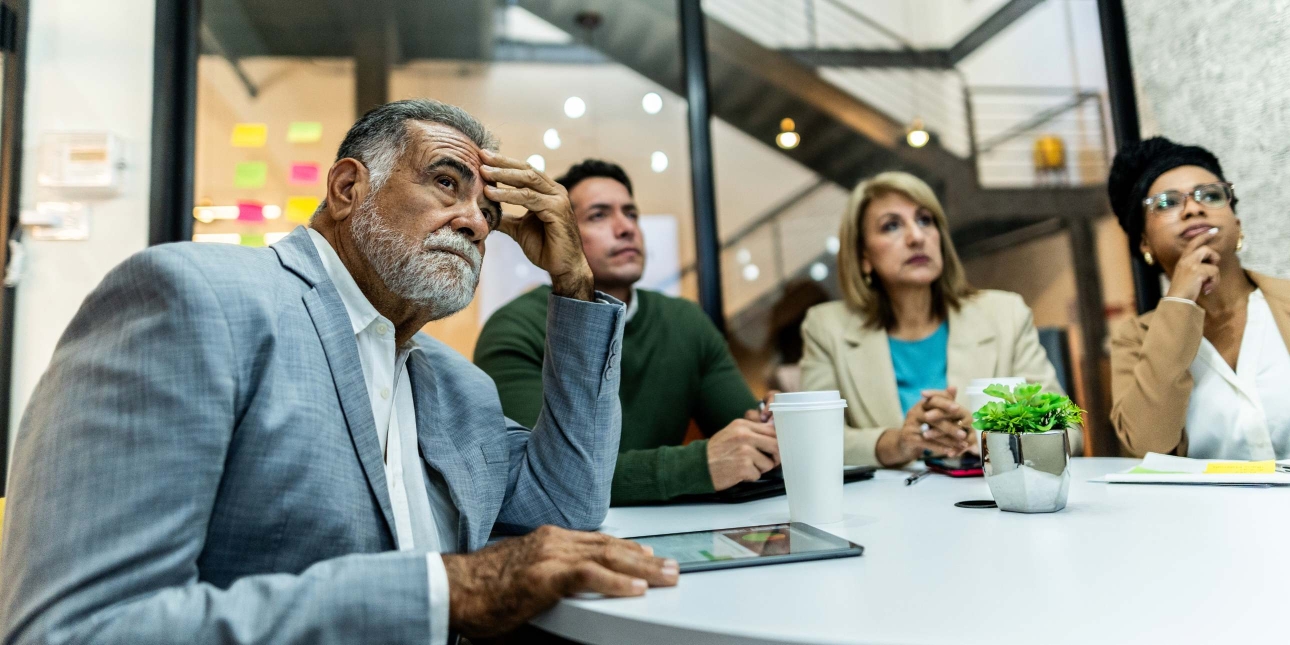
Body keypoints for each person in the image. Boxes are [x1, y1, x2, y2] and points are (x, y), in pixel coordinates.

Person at [0, 100, 678, 644]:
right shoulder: (194, 299)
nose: (475, 220)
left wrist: (574, 285)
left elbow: (566, 506)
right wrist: (451, 591)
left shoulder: (458, 385)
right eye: (447, 180)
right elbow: (79, 629)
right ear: (351, 187)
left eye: (490, 211)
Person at [474, 159, 778, 505]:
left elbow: (749, 445)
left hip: (672, 529)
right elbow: (538, 480)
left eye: (631, 213)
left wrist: (772, 428)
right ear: (559, 231)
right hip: (565, 539)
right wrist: (697, 466)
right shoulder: (514, 327)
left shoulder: (684, 320)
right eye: (599, 215)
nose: (626, 228)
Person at [800, 171, 1079, 467]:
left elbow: (1067, 430)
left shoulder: (1006, 314)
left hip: (986, 503)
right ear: (863, 257)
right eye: (891, 226)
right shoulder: (825, 328)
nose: (916, 237)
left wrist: (983, 437)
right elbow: (810, 441)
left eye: (925, 220)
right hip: (887, 508)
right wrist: (896, 443)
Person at [1107, 137, 1290, 459]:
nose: (1193, 208)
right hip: (1206, 510)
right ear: (1145, 243)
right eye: (1166, 203)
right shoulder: (1134, 341)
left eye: (1211, 195)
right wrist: (1179, 302)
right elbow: (1147, 448)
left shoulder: (1283, 303)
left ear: (1237, 224)